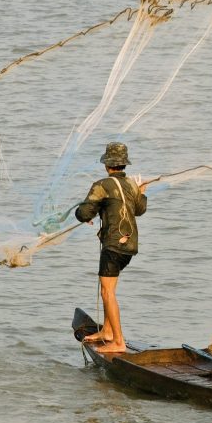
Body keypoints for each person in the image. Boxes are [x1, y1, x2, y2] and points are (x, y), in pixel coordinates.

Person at [75, 142, 147, 354]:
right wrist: (141, 192)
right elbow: (140, 209)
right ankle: (107, 331)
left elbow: (84, 214)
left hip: (113, 245)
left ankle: (118, 341)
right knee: (110, 289)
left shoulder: (102, 185)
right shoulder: (132, 185)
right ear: (124, 164)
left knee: (107, 293)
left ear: (107, 165)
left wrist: (85, 212)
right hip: (130, 245)